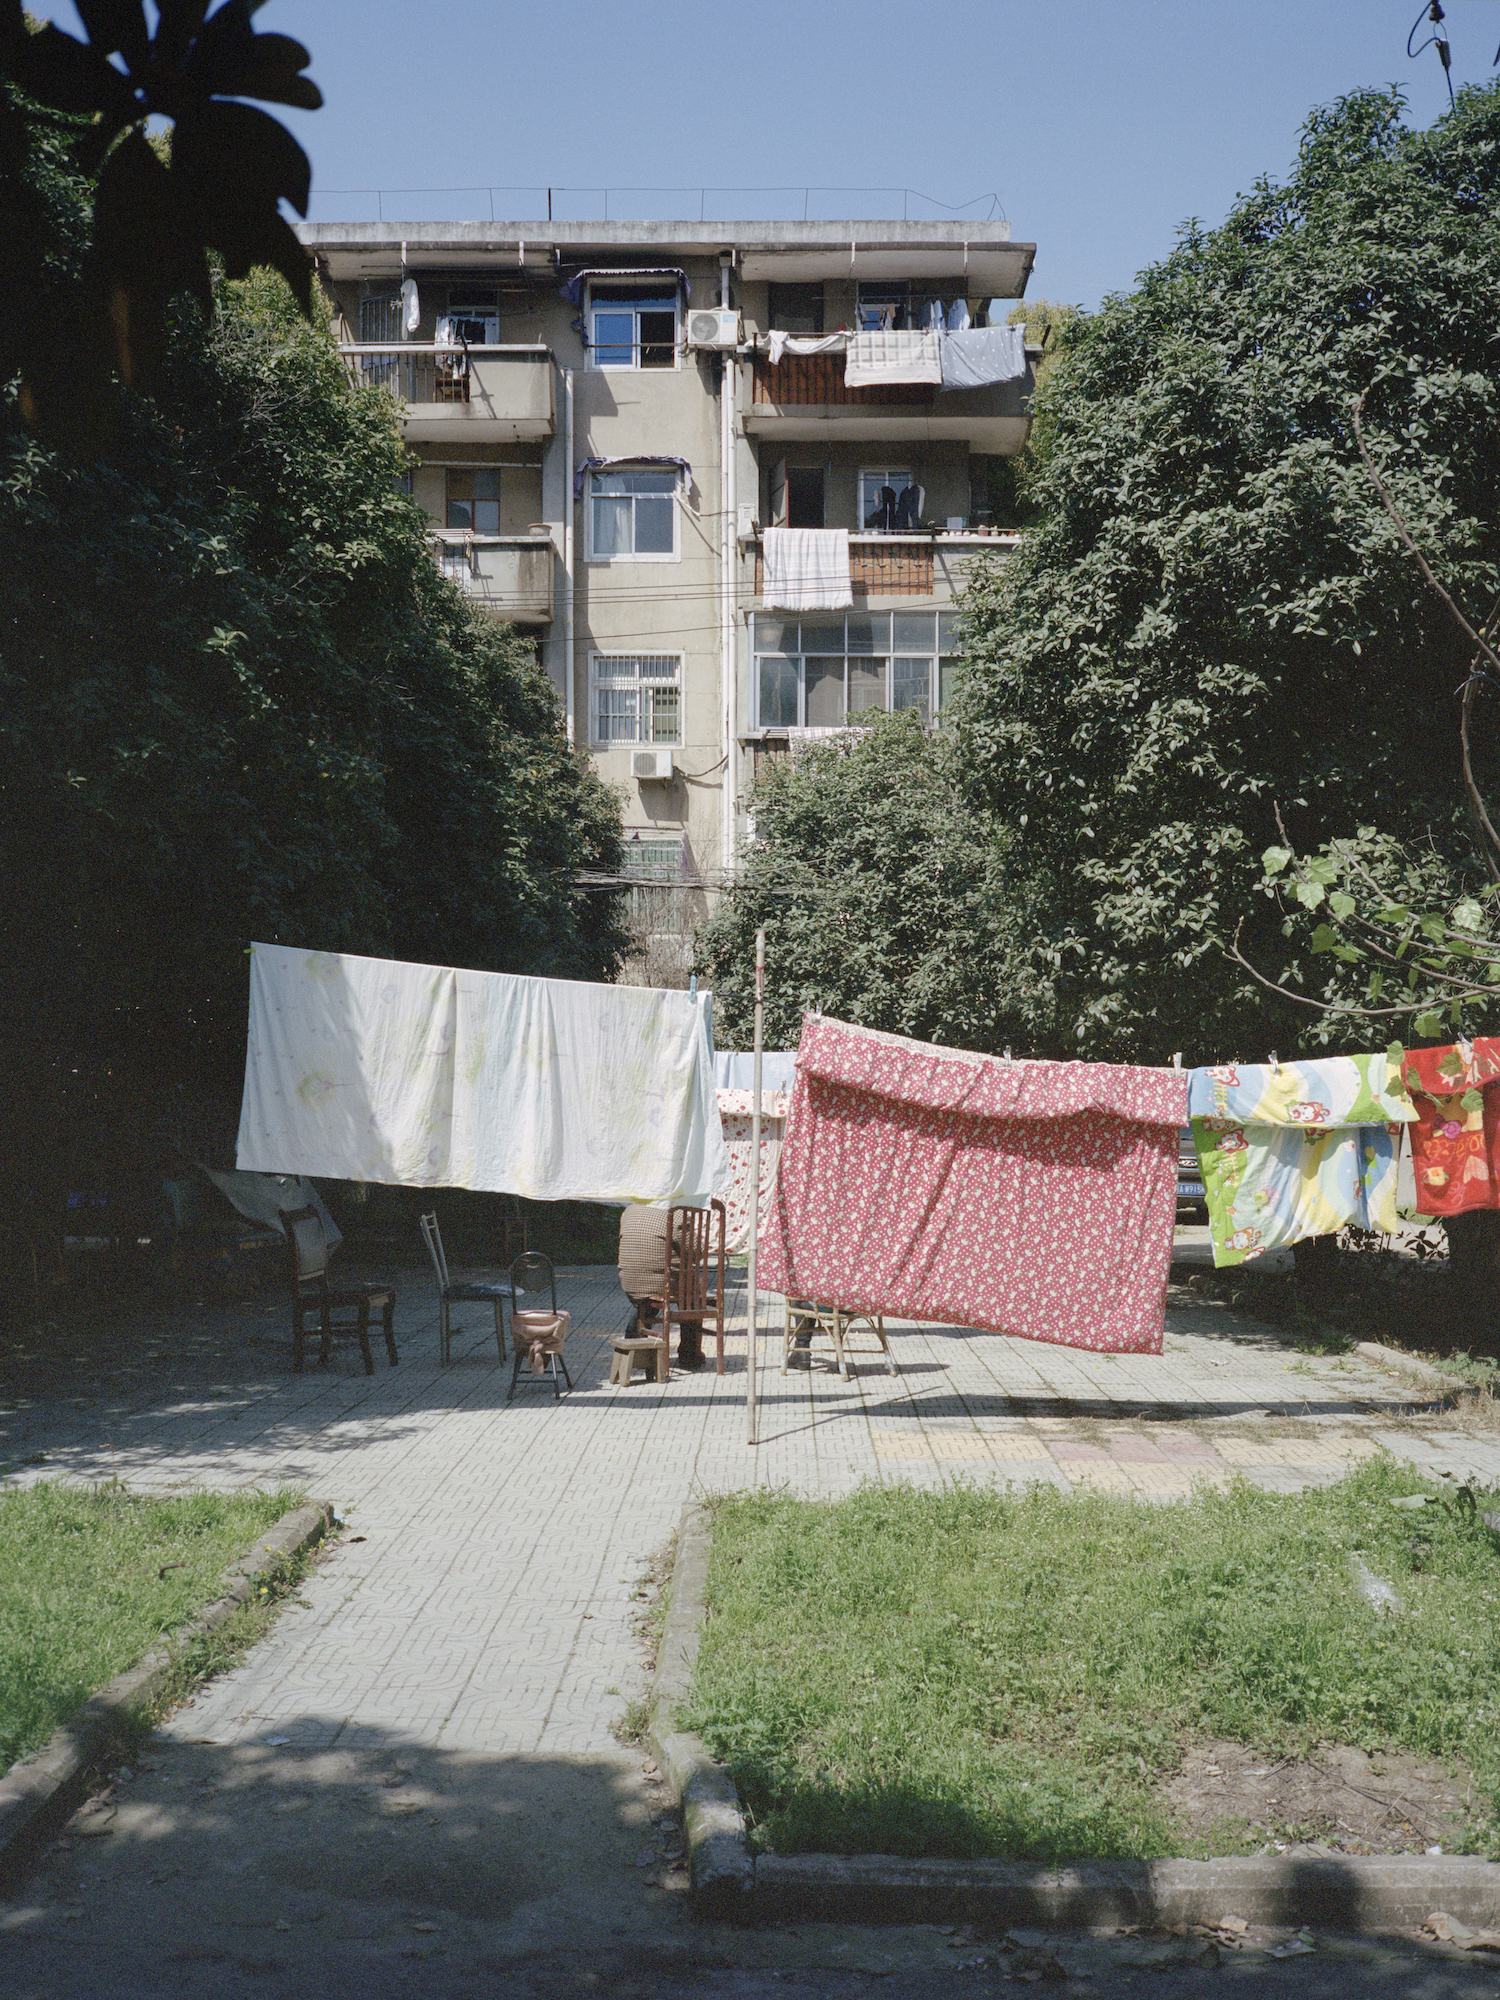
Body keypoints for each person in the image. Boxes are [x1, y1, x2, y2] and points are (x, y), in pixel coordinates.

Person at [616, 1204, 703, 1369]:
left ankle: (634, 1345)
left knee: (648, 1302)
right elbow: (695, 1252)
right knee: (692, 1300)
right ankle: (689, 1355)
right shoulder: (677, 1214)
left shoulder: (630, 1210)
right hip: (663, 1284)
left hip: (630, 1280)